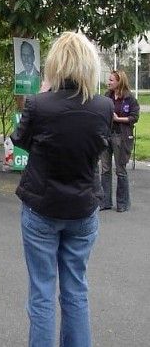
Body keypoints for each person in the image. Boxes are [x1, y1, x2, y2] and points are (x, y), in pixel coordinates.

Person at [10, 31, 113, 346]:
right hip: (82, 208)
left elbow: (20, 140)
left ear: (57, 63)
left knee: (41, 292)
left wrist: (42, 95)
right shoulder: (103, 106)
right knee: (76, 290)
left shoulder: (40, 104)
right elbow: (97, 145)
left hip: (42, 206)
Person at [99, 70, 140, 212]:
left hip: (121, 136)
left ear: (119, 82)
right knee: (105, 169)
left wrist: (118, 119)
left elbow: (134, 117)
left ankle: (122, 203)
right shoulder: (107, 96)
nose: (108, 82)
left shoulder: (130, 98)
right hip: (107, 135)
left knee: (120, 170)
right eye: (109, 80)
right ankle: (105, 201)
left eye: (111, 80)